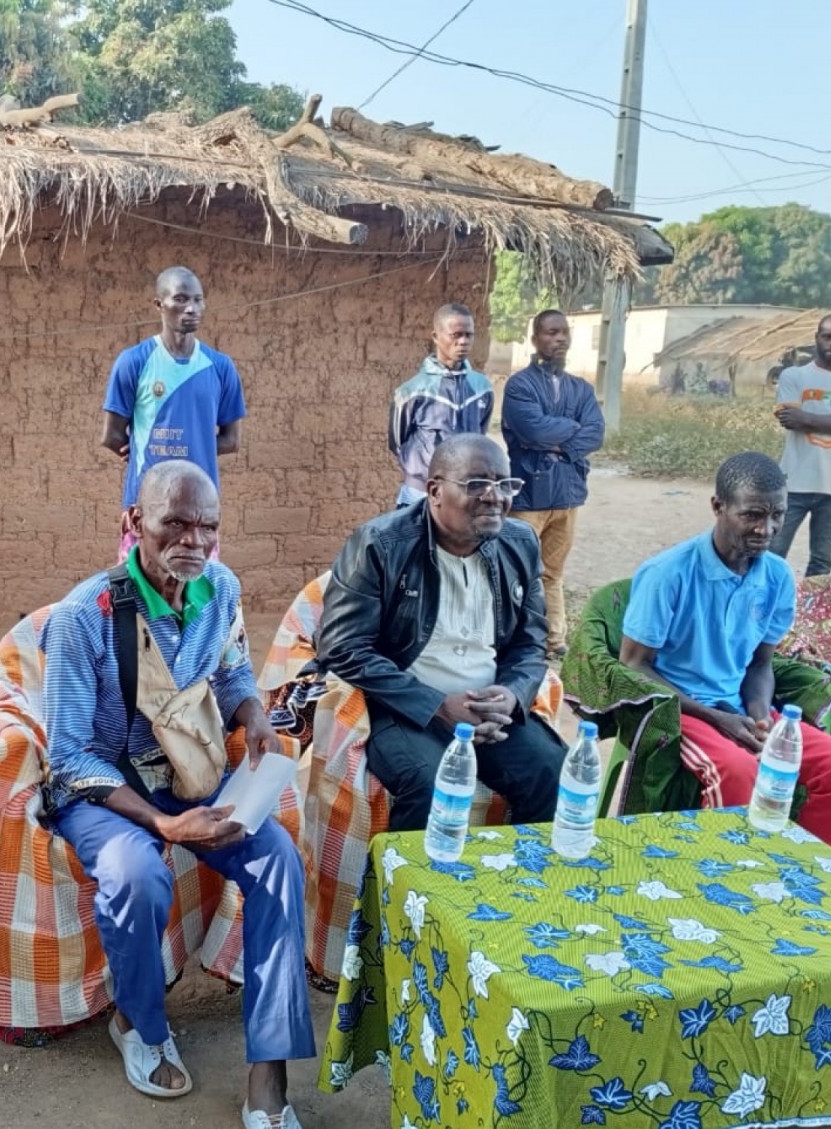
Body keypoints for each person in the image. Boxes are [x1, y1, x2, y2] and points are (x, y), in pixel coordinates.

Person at [39, 461, 313, 1129]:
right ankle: (139, 1021)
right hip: (109, 787)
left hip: (191, 770)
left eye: (207, 528)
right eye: (175, 524)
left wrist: (249, 714)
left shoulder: (220, 587)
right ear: (133, 524)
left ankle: (268, 1067)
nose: (193, 541)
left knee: (277, 859)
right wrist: (165, 828)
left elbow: (232, 668)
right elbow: (69, 757)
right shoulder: (85, 616)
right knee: (136, 875)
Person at [619, 451, 831, 848]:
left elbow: (760, 663)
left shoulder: (776, 577)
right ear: (718, 506)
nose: (766, 529)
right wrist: (719, 720)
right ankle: (723, 880)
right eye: (752, 514)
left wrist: (758, 718)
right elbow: (633, 665)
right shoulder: (668, 573)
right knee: (737, 771)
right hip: (680, 708)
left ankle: (803, 871)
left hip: (738, 707)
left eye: (777, 515)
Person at [317, 433, 564, 833]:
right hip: (404, 704)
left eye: (505, 484)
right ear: (434, 491)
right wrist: (436, 706)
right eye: (476, 484)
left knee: (553, 770)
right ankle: (409, 892)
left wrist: (513, 694)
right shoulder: (381, 543)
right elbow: (342, 646)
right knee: (430, 786)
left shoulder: (520, 543)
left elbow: (531, 642)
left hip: (490, 706)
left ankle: (517, 885)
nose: (494, 496)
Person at [101, 267, 246, 562]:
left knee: (199, 600)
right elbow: (112, 435)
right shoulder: (135, 362)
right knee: (138, 597)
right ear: (159, 305)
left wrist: (190, 451)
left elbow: (231, 440)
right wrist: (146, 447)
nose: (191, 308)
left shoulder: (220, 367)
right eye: (180, 299)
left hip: (199, 512)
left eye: (198, 299)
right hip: (145, 508)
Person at [501, 309, 604, 659]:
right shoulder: (519, 386)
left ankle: (553, 640)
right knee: (517, 571)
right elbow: (532, 429)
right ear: (535, 339)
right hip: (528, 495)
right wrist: (570, 431)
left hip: (567, 495)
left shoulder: (581, 388)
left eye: (564, 332)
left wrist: (559, 440)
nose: (559, 339)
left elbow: (596, 433)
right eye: (550, 332)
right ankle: (513, 640)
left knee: (553, 574)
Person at [768, 313, 831, 576]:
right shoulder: (794, 376)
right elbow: (789, 420)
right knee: (773, 554)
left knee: (822, 563)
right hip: (793, 483)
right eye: (828, 336)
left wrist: (807, 417)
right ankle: (763, 613)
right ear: (816, 338)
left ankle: (811, 617)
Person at [389, 302, 494, 505]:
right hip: (420, 492)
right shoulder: (411, 391)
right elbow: (397, 443)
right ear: (436, 337)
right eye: (455, 335)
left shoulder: (482, 388)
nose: (463, 342)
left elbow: (480, 432)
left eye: (469, 335)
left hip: (464, 492)